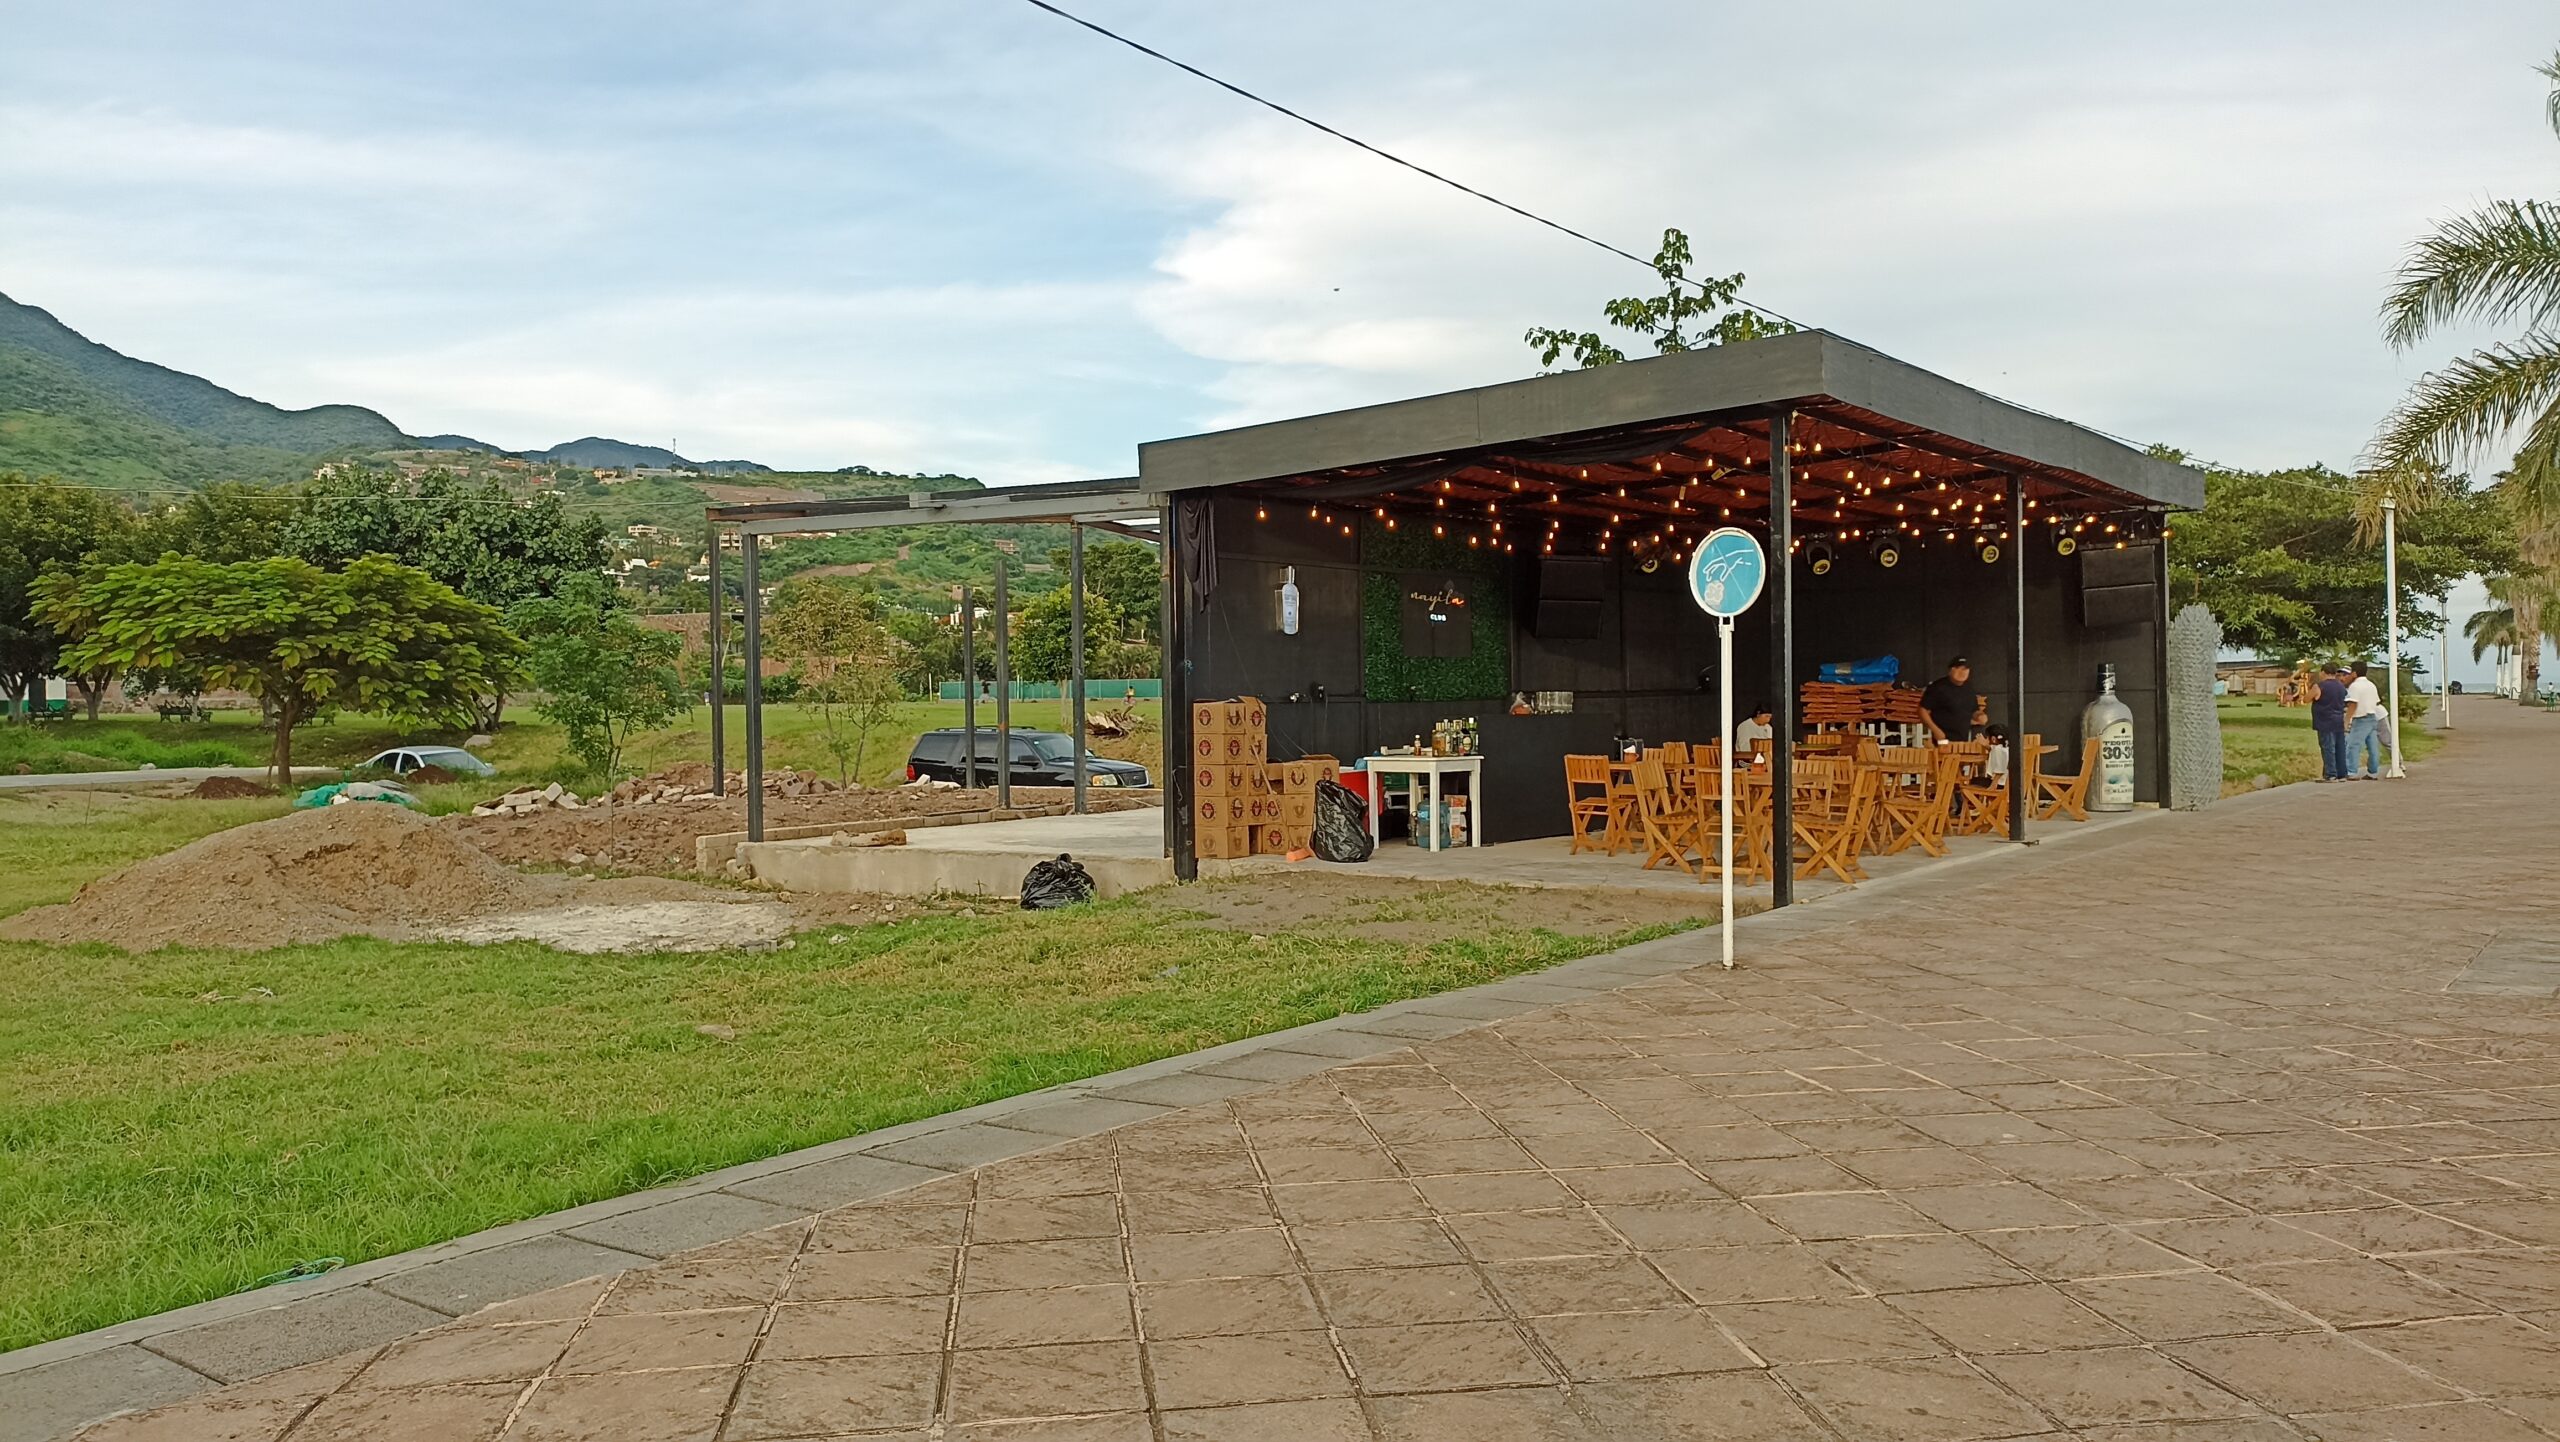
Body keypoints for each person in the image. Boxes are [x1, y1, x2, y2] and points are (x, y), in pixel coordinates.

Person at [1920, 657, 1979, 745]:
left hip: (1963, 741)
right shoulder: (1938, 687)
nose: (1962, 672)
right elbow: (1922, 710)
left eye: (1965, 669)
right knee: (1944, 758)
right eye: (1959, 668)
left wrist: (1980, 715)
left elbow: (1974, 710)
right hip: (1943, 740)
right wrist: (1936, 730)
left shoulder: (1969, 689)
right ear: (1951, 670)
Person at [2345, 662, 2387, 780]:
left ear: (2354, 673)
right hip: (2372, 716)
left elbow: (2353, 703)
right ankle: (2373, 771)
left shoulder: (2354, 686)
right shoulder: (2371, 685)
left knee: (2353, 745)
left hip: (2361, 718)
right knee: (2373, 746)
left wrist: (2347, 719)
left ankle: (2351, 771)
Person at [2310, 664, 2351, 781]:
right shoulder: (2341, 687)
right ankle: (2342, 773)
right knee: (2339, 747)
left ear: (2323, 672)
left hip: (2324, 720)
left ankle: (2330, 773)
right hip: (2338, 720)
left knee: (2328, 747)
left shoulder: (2319, 686)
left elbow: (2307, 698)